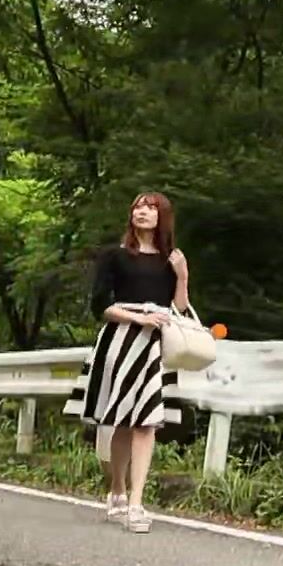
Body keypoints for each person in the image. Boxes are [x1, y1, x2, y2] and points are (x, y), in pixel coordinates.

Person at [65, 191, 191, 534]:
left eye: (150, 207)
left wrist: (182, 275)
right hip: (120, 340)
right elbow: (100, 306)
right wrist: (138, 318)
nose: (142, 212)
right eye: (138, 206)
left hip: (155, 345)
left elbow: (179, 308)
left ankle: (136, 502)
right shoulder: (114, 256)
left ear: (162, 216)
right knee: (121, 421)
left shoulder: (170, 259)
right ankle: (118, 489)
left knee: (146, 423)